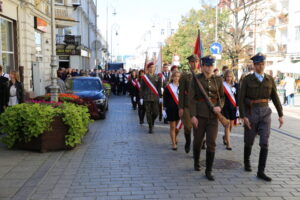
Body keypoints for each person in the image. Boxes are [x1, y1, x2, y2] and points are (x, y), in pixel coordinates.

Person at [239, 53, 284, 182]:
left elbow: (275, 97)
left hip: (265, 113)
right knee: (249, 140)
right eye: (258, 64)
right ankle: (246, 161)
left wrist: (280, 115)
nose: (261, 66)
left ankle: (261, 171)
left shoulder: (269, 79)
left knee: (264, 142)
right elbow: (241, 99)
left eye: (263, 64)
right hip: (251, 112)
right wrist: (243, 116)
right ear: (254, 65)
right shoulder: (247, 80)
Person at [189, 55, 225, 181]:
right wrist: (193, 115)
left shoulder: (218, 80)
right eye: (207, 65)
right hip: (199, 115)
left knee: (212, 143)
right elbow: (191, 99)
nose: (209, 68)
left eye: (211, 65)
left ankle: (209, 170)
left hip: (213, 117)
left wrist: (220, 107)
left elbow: (222, 97)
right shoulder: (196, 79)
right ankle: (196, 161)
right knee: (198, 141)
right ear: (203, 66)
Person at [179, 55, 200, 154]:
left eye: (196, 62)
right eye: (192, 62)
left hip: (200, 105)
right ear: (189, 63)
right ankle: (188, 141)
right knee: (187, 126)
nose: (194, 64)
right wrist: (181, 107)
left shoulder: (202, 74)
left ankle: (197, 147)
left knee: (198, 128)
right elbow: (181, 92)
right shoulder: (185, 76)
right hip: (188, 105)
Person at [140, 62, 162, 133]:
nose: (152, 69)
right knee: (148, 112)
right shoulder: (144, 77)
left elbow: (159, 88)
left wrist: (160, 97)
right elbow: (141, 88)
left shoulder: (158, 77)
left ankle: (152, 121)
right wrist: (141, 97)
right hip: (147, 97)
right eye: (150, 67)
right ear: (148, 68)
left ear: (155, 68)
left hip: (155, 97)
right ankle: (150, 126)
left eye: (153, 67)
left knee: (156, 112)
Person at [222, 70, 239, 150]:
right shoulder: (222, 85)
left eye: (230, 76)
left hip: (233, 107)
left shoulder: (236, 85)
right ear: (225, 77)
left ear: (232, 77)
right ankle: (228, 144)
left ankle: (225, 136)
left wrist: (239, 108)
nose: (228, 78)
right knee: (227, 125)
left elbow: (238, 96)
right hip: (225, 108)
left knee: (231, 125)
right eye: (227, 76)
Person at [163, 71, 181, 150]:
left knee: (178, 127)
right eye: (175, 76)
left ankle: (174, 137)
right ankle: (173, 143)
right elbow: (165, 99)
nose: (176, 78)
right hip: (171, 109)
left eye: (178, 76)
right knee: (172, 127)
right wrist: (164, 108)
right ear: (172, 77)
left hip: (180, 109)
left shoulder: (182, 87)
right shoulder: (168, 87)